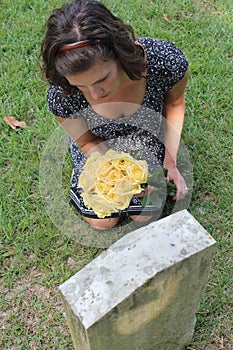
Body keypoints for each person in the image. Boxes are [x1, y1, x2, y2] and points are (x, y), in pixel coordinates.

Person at [41, 0, 189, 230]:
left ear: (119, 54)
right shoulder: (61, 94)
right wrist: (122, 178)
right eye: (81, 86)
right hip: (98, 146)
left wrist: (170, 161)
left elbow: (175, 104)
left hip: (146, 138)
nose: (96, 94)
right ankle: (80, 171)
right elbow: (86, 140)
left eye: (102, 79)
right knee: (102, 222)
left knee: (145, 214)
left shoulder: (165, 62)